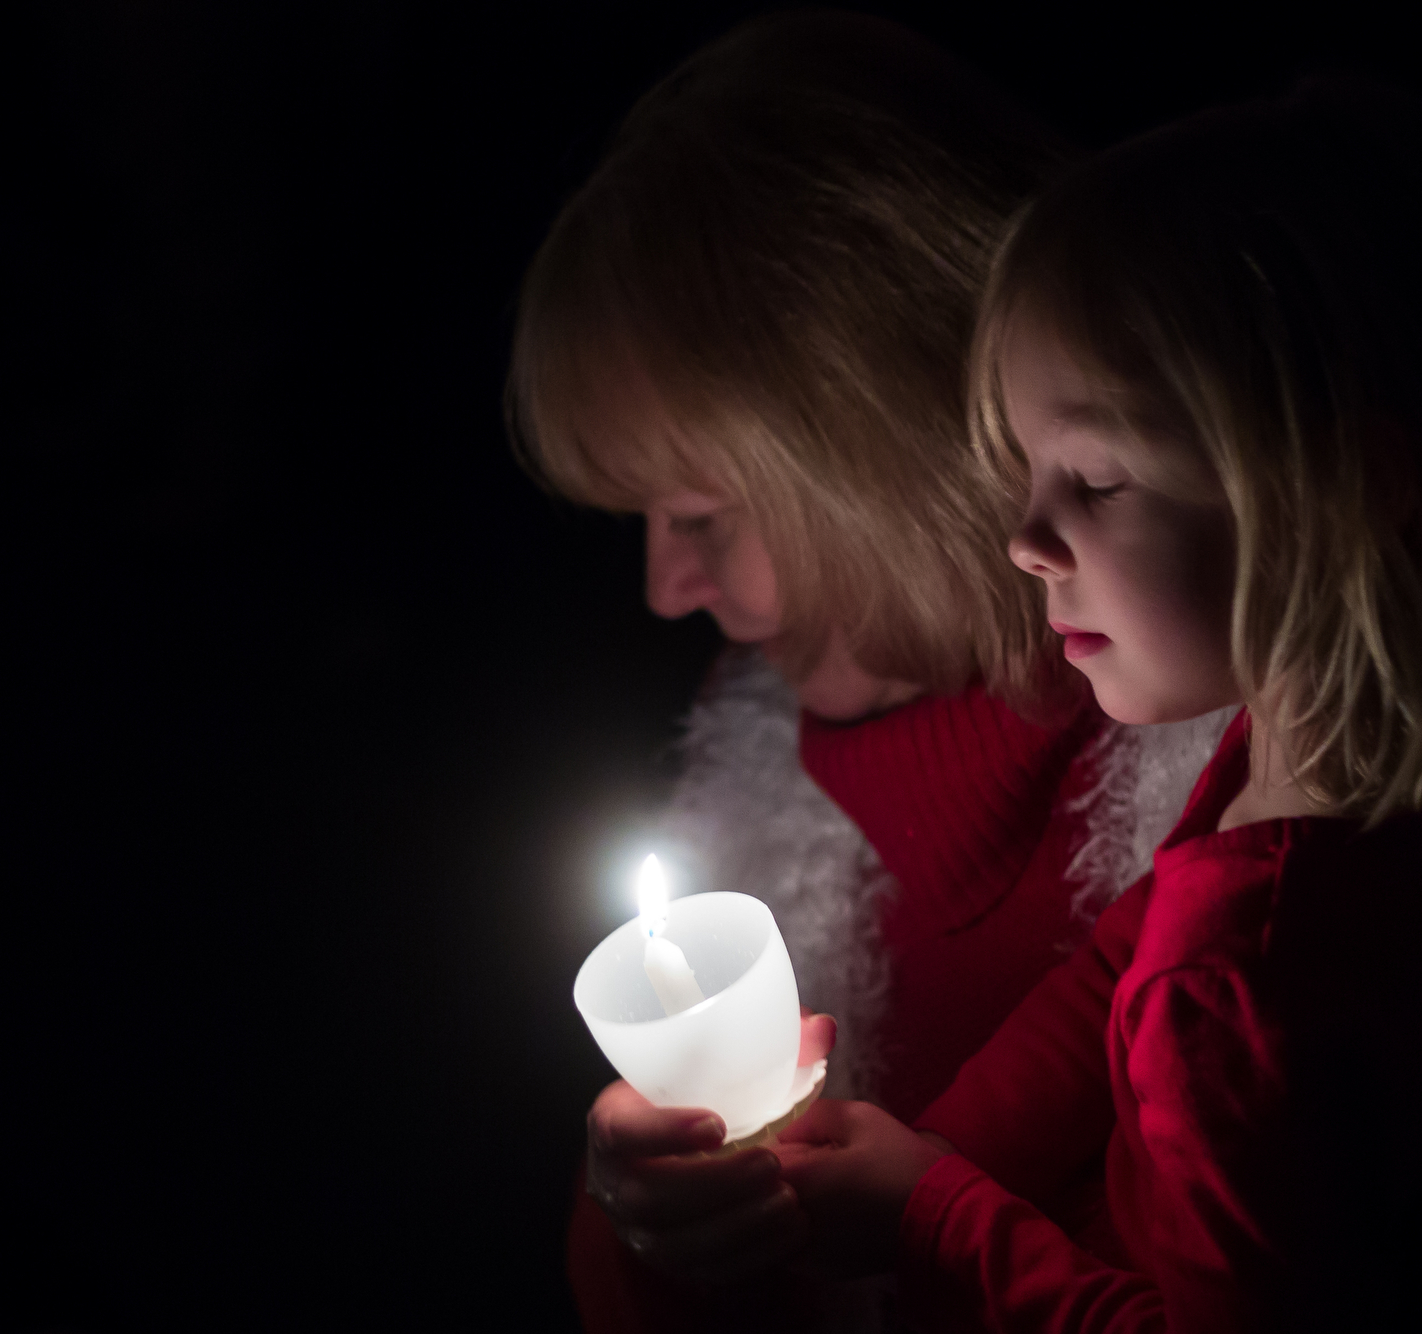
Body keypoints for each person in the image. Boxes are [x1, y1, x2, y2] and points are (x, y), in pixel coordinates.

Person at [770, 80, 1422, 1328]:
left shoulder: (1235, 981)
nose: (1023, 538)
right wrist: (939, 1146)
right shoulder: (1411, 742)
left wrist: (932, 1216)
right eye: (1023, 468)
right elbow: (1135, 932)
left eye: (1096, 478)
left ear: (1342, 488)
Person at [506, 14, 1228, 1331]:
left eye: (703, 515)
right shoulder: (748, 836)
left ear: (892, 456)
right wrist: (663, 1229)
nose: (666, 589)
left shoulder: (1275, 817)